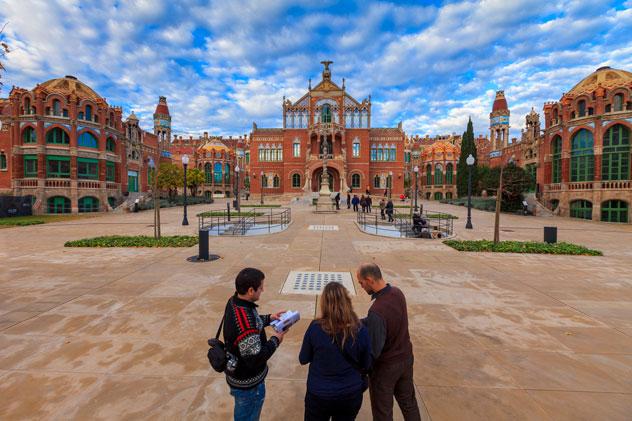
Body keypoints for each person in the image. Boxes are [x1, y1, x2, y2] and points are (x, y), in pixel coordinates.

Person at [356, 263, 421, 421]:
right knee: (409, 404)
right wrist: (358, 322)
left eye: (361, 282)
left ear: (370, 279)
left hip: (386, 369)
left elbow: (374, 351)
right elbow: (388, 320)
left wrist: (362, 371)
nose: (361, 286)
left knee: (382, 412)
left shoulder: (377, 310)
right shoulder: (397, 293)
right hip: (405, 360)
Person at [299, 282, 372, 421]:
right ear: (347, 301)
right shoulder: (360, 329)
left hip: (319, 394)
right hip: (350, 393)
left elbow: (303, 358)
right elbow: (367, 363)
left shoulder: (315, 328)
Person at [223, 268, 288, 421]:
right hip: (248, 385)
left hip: (237, 375)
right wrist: (276, 339)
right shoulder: (245, 323)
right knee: (248, 416)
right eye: (261, 287)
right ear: (251, 290)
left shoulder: (235, 302)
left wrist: (270, 318)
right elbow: (255, 359)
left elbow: (251, 320)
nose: (263, 290)